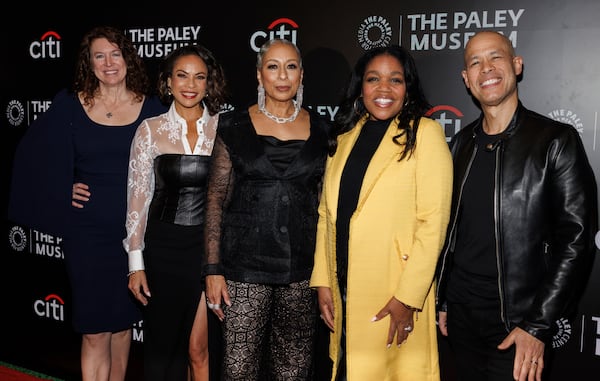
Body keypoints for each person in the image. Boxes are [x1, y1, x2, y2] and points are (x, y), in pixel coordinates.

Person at [436, 30, 598, 381]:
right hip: (460, 321)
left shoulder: (555, 140)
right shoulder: (461, 142)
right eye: (475, 62)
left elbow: (577, 241)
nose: (486, 68)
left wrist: (538, 325)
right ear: (466, 79)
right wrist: (446, 299)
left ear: (516, 65)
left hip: (517, 325)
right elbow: (453, 229)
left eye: (495, 57)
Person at [7, 26, 167, 380]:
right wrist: (61, 186)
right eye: (99, 55)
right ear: (89, 63)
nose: (109, 63)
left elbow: (169, 165)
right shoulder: (70, 103)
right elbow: (30, 156)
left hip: (135, 237)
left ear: (128, 58)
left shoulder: (152, 106)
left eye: (115, 54)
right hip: (87, 235)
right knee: (95, 330)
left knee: (124, 327)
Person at [309, 44, 453, 381]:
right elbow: (325, 215)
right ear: (361, 86)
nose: (384, 89)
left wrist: (407, 297)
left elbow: (433, 224)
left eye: (395, 80)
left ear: (408, 87)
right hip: (343, 287)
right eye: (374, 79)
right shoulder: (344, 137)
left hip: (394, 290)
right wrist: (322, 282)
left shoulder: (426, 135)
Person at [203, 38, 330, 380]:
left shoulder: (322, 130)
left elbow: (324, 206)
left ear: (301, 75)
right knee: (238, 369)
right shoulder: (233, 126)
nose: (282, 75)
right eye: (273, 67)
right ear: (260, 76)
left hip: (301, 271)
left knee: (294, 369)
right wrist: (213, 269)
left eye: (290, 67)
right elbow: (215, 198)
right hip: (244, 268)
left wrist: (326, 273)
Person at [123, 44, 228, 381]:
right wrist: (135, 264)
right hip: (164, 250)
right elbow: (138, 198)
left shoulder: (223, 129)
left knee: (201, 349)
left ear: (208, 83)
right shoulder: (150, 130)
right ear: (168, 81)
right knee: (164, 349)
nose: (190, 84)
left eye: (199, 76)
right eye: (182, 75)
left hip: (207, 251)